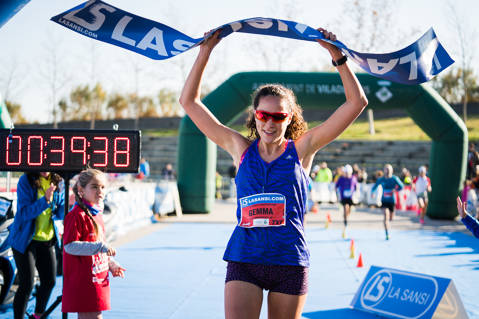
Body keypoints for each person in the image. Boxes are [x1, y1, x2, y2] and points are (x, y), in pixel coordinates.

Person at [179, 27, 367, 319]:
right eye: (263, 115)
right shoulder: (239, 147)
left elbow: (357, 103)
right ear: (255, 115)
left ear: (289, 118)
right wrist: (205, 51)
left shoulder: (302, 149)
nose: (270, 123)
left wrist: (337, 56)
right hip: (245, 260)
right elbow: (189, 103)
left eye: (278, 116)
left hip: (289, 262)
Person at [62, 168, 125, 319]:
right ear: (81, 190)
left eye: (102, 187)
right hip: (84, 281)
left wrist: (111, 264)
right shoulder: (76, 215)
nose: (100, 191)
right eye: (94, 186)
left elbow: (100, 243)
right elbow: (69, 246)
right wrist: (100, 247)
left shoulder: (96, 214)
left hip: (97, 278)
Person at [8, 172, 64, 319]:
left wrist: (69, 205)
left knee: (50, 281)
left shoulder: (58, 180)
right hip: (25, 240)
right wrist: (45, 200)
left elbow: (59, 213)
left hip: (47, 240)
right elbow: (24, 213)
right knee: (27, 284)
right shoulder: (25, 180)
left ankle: (37, 316)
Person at [371, 164, 404, 240]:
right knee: (386, 215)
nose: (388, 171)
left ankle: (388, 225)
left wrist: (395, 190)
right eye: (386, 169)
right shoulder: (381, 179)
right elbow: (374, 187)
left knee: (391, 218)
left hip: (392, 201)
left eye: (389, 169)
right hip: (384, 201)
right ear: (384, 170)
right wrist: (372, 193)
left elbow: (401, 186)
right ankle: (387, 233)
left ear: (392, 171)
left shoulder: (394, 178)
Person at [335, 164, 357, 238]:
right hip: (343, 197)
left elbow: (356, 187)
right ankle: (345, 223)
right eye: (346, 172)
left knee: (348, 211)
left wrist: (356, 195)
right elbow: (336, 186)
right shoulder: (341, 178)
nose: (347, 174)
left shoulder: (353, 178)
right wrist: (337, 196)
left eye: (348, 173)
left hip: (351, 198)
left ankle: (345, 218)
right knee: (345, 208)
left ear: (350, 172)